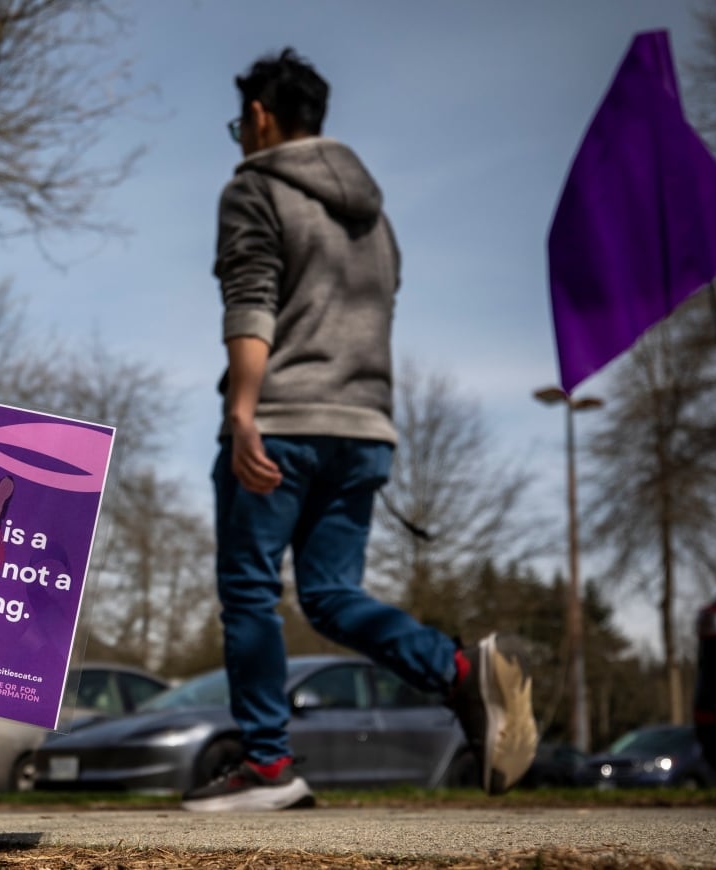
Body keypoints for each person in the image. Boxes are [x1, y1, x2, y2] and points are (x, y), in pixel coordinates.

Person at [180, 47, 538, 814]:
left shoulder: (254, 188)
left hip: (283, 421)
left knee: (249, 590)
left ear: (260, 117)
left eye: (239, 123)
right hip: (366, 428)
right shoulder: (377, 220)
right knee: (333, 593)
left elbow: (252, 301)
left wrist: (243, 414)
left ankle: (268, 767)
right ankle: (458, 672)